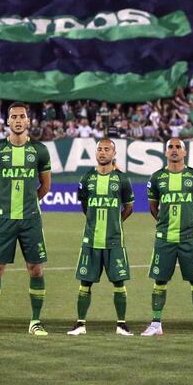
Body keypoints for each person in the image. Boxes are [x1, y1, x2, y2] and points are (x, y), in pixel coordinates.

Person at [0, 102, 52, 337]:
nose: (18, 120)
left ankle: (35, 322)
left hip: (30, 219)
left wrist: (28, 204)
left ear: (28, 121)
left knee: (36, 269)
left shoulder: (39, 150)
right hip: (4, 219)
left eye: (22, 116)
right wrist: (7, 204)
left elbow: (45, 186)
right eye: (13, 117)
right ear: (7, 122)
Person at [141, 139, 193, 337]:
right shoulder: (157, 178)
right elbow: (153, 207)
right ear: (165, 153)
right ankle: (156, 324)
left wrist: (190, 224)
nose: (174, 151)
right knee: (160, 280)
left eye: (178, 147)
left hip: (189, 239)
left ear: (185, 152)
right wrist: (164, 223)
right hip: (165, 238)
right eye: (170, 147)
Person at [66, 138, 135, 336]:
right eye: (99, 149)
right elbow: (84, 205)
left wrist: (115, 223)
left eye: (107, 149)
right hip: (91, 239)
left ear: (114, 154)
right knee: (85, 282)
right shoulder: (87, 178)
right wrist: (94, 222)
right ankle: (80, 324)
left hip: (114, 240)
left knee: (119, 282)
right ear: (95, 153)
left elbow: (129, 207)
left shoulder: (122, 179)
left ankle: (121, 325)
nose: (103, 152)